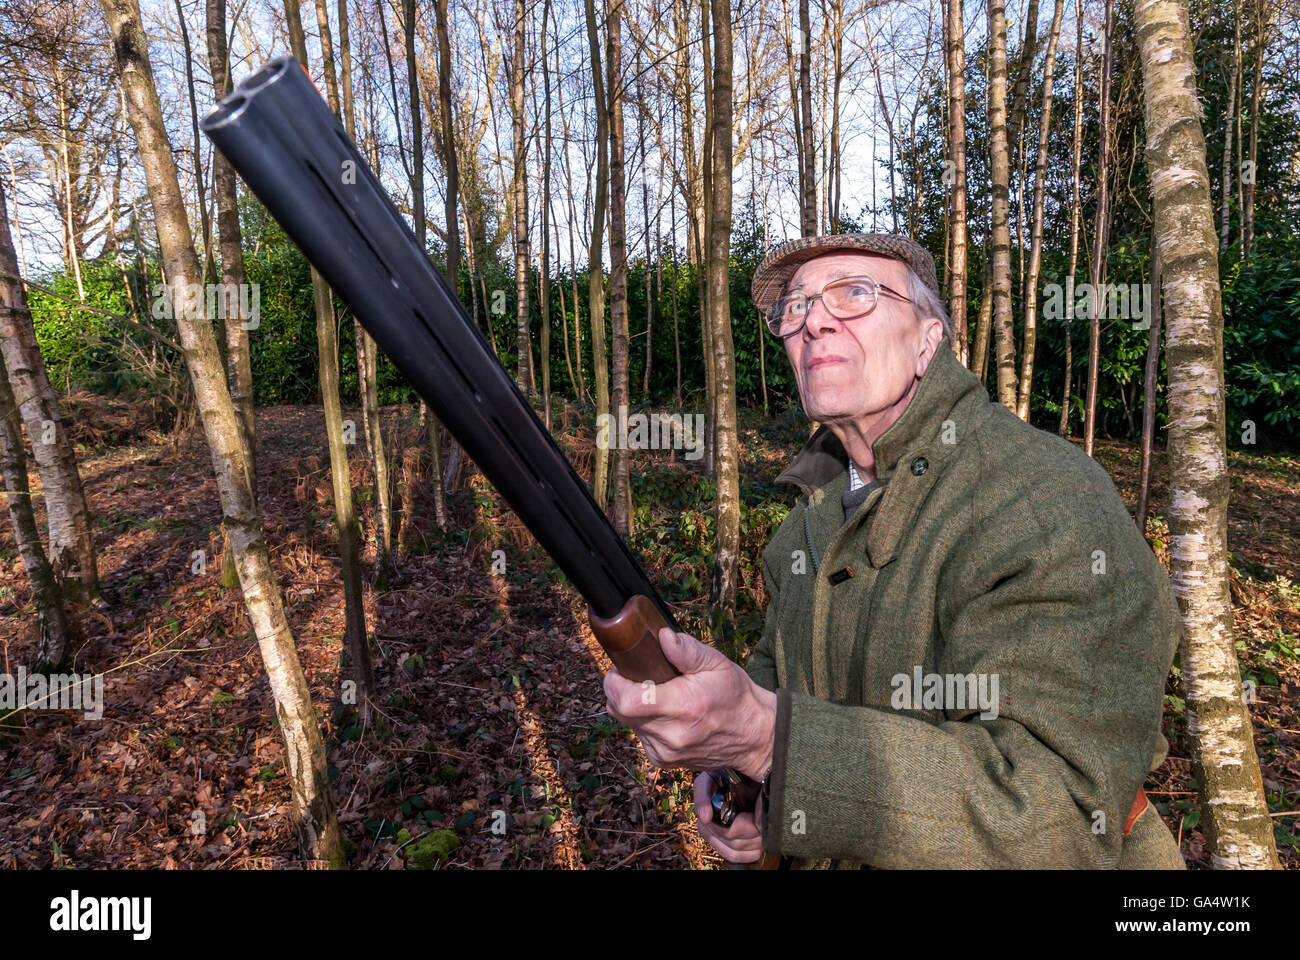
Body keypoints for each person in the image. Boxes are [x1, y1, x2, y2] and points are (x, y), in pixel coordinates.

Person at [603, 232, 1186, 868]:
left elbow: (1055, 811)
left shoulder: (1043, 495)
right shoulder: (809, 518)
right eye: (795, 307)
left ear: (927, 341)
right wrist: (742, 785)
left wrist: (772, 742)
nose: (815, 321)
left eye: (853, 294)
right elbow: (778, 671)